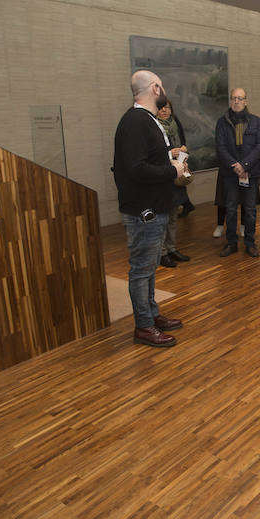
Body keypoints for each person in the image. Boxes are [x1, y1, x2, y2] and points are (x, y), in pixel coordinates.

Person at [112, 70, 188, 347]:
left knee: (149, 268)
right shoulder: (135, 122)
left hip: (155, 207)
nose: (164, 90)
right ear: (155, 89)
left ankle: (152, 314)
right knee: (142, 270)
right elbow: (136, 169)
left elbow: (147, 159)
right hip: (144, 212)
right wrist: (172, 170)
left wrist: (171, 160)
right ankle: (144, 326)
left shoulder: (147, 120)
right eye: (162, 86)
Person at [215, 87, 260, 257]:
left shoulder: (256, 121)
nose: (236, 101)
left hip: (249, 173)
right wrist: (235, 166)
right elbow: (220, 147)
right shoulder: (222, 122)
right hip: (230, 174)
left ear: (246, 101)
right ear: (230, 101)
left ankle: (250, 243)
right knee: (230, 209)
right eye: (233, 98)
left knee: (250, 210)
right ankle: (231, 243)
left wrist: (244, 165)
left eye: (240, 98)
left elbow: (259, 146)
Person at [156, 100, 191, 268]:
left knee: (173, 217)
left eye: (167, 107)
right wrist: (170, 153)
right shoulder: (153, 126)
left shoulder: (175, 124)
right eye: (161, 107)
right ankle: (162, 253)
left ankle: (171, 248)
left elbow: (183, 144)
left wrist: (183, 154)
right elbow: (153, 154)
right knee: (162, 219)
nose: (164, 110)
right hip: (162, 177)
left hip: (176, 175)